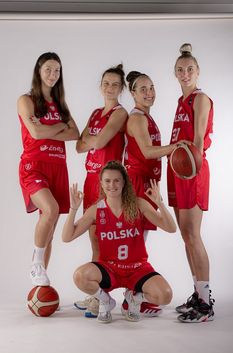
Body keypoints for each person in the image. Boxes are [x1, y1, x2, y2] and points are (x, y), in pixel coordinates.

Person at [62, 160, 176, 323]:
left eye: (116, 180)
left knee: (165, 296)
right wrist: (73, 209)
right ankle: (106, 301)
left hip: (137, 268)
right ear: (101, 183)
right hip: (109, 268)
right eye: (107, 181)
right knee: (80, 276)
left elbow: (171, 228)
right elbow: (67, 237)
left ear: (124, 182)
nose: (112, 185)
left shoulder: (138, 204)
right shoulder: (96, 210)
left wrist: (160, 204)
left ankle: (133, 299)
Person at [17, 52, 79, 287]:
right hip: (34, 166)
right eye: (48, 70)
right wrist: (60, 126)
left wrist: (50, 127)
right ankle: (36, 265)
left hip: (57, 167)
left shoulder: (60, 103)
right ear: (39, 71)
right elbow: (36, 133)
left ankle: (39, 284)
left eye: (57, 71)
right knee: (50, 209)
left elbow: (75, 133)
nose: (53, 75)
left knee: (50, 226)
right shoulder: (27, 100)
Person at [123, 71, 180, 316]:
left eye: (152, 87)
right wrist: (175, 148)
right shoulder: (137, 118)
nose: (149, 93)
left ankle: (133, 295)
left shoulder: (147, 116)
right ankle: (130, 297)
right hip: (137, 183)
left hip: (147, 182)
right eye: (143, 89)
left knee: (139, 240)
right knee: (135, 242)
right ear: (133, 94)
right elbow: (147, 152)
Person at [74, 64, 128, 317]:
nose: (109, 88)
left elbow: (100, 141)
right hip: (89, 179)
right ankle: (96, 293)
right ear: (100, 85)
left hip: (108, 183)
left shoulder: (119, 113)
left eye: (115, 84)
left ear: (121, 88)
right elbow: (79, 146)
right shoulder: (96, 112)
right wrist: (90, 141)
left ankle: (103, 296)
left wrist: (91, 141)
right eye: (106, 83)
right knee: (93, 237)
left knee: (103, 241)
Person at [167, 43, 214, 323]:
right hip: (178, 169)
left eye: (190, 69)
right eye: (180, 70)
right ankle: (198, 294)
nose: (185, 74)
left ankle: (206, 304)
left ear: (198, 71)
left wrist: (189, 168)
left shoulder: (200, 98)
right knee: (185, 235)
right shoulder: (179, 101)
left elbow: (197, 142)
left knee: (193, 235)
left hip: (192, 171)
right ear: (175, 74)